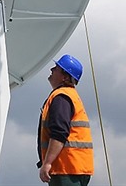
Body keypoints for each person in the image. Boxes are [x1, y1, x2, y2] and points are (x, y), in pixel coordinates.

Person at [37, 54, 94, 186]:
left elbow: (59, 133)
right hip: (75, 167)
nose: (51, 70)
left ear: (64, 76)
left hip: (66, 168)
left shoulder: (61, 97)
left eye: (56, 68)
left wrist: (47, 163)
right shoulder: (70, 96)